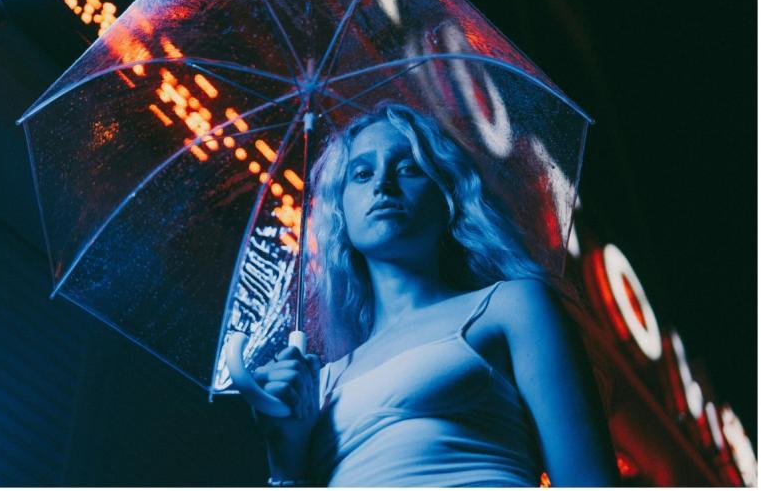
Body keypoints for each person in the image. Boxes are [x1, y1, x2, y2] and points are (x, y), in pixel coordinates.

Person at [252, 102, 619, 486]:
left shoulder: (511, 307)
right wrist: (285, 458)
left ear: (448, 196)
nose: (382, 184)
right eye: (361, 173)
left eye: (408, 167)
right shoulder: (319, 385)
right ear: (341, 209)